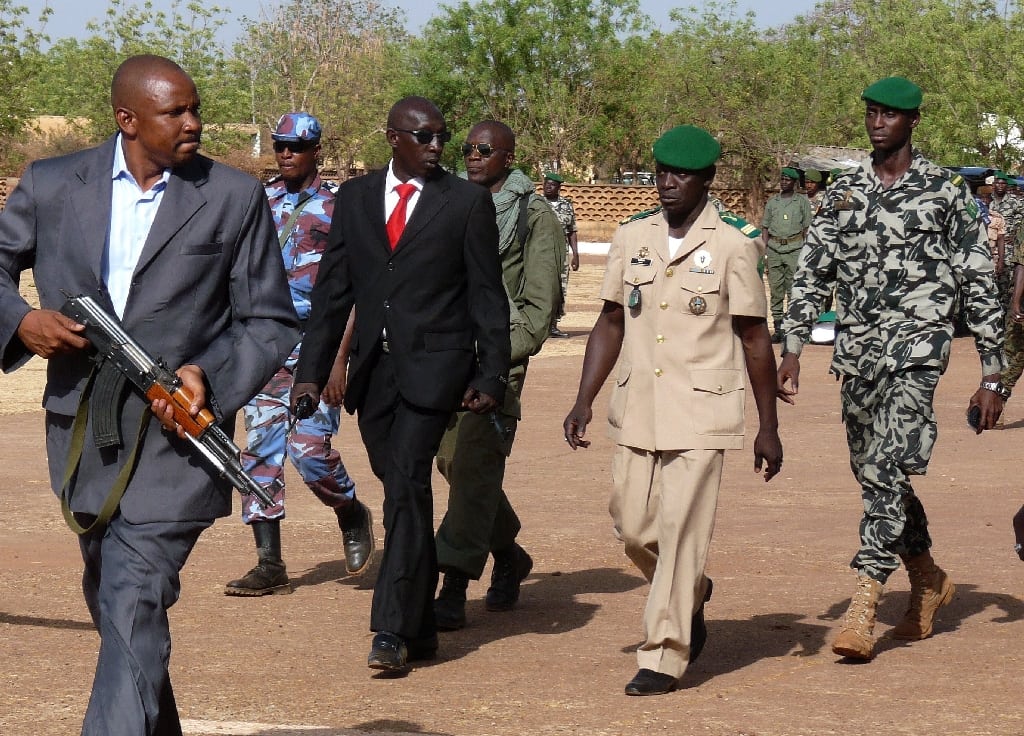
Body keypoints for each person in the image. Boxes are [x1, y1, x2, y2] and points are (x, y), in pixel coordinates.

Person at [0, 55, 299, 733]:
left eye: (196, 108)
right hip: (84, 435)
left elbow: (271, 319)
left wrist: (208, 378)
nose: (194, 123)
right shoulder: (52, 184)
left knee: (133, 598)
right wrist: (22, 320)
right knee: (116, 602)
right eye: (176, 112)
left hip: (180, 442)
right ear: (127, 119)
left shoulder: (231, 196)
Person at [777, 76, 1005, 662]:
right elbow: (811, 272)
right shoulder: (844, 191)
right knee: (875, 473)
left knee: (884, 465)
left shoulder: (946, 192)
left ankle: (864, 602)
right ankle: (927, 577)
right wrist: (794, 346)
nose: (877, 123)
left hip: (918, 352)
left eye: (889, 115)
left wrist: (992, 373)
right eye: (871, 113)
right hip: (856, 355)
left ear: (912, 122)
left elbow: (979, 280)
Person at [291, 96, 510, 674]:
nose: (437, 147)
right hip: (374, 378)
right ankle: (421, 629)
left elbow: (488, 297)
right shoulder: (358, 199)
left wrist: (491, 374)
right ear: (393, 138)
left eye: (441, 136)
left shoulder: (464, 203)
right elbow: (333, 292)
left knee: (408, 482)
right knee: (401, 492)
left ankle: (389, 627)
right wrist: (311, 373)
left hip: (436, 373)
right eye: (424, 137)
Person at [563, 125, 783, 696]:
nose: (667, 182)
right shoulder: (632, 234)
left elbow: (755, 338)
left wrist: (769, 427)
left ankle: (663, 653)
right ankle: (691, 588)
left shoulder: (736, 243)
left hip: (703, 411)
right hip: (639, 405)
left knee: (682, 531)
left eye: (680, 174)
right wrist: (583, 399)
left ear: (707, 179)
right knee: (633, 527)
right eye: (660, 171)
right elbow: (611, 321)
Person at [224, 112, 373, 596]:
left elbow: (356, 291)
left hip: (319, 344)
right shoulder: (258, 201)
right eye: (279, 144)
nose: (285, 153)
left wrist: (338, 359)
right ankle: (270, 563)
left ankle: (350, 511)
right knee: (260, 452)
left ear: (316, 152)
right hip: (265, 343)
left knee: (309, 451)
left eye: (295, 146)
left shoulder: (338, 208)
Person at [432, 120, 563, 630]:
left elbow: (539, 308)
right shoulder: (454, 204)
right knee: (453, 465)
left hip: (498, 362)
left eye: (484, 150)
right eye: (467, 149)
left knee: (473, 463)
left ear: (509, 157)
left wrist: (495, 358)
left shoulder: (535, 218)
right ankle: (508, 553)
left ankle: (453, 581)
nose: (472, 156)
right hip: (446, 356)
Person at [762, 166, 812, 343]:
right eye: (782, 179)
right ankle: (777, 327)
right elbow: (765, 227)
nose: (784, 182)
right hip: (774, 249)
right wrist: (764, 249)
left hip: (795, 248)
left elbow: (807, 228)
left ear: (794, 183)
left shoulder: (801, 202)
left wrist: (807, 251)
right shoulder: (772, 202)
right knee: (776, 290)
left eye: (787, 179)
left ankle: (792, 329)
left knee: (793, 289)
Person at [542, 171, 580, 338]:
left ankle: (553, 325)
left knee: (559, 288)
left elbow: (571, 230)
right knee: (540, 287)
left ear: (558, 187)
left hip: (561, 252)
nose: (548, 187)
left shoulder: (566, 205)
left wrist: (575, 254)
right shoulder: (536, 203)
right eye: (546, 184)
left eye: (552, 185)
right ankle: (539, 326)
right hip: (540, 250)